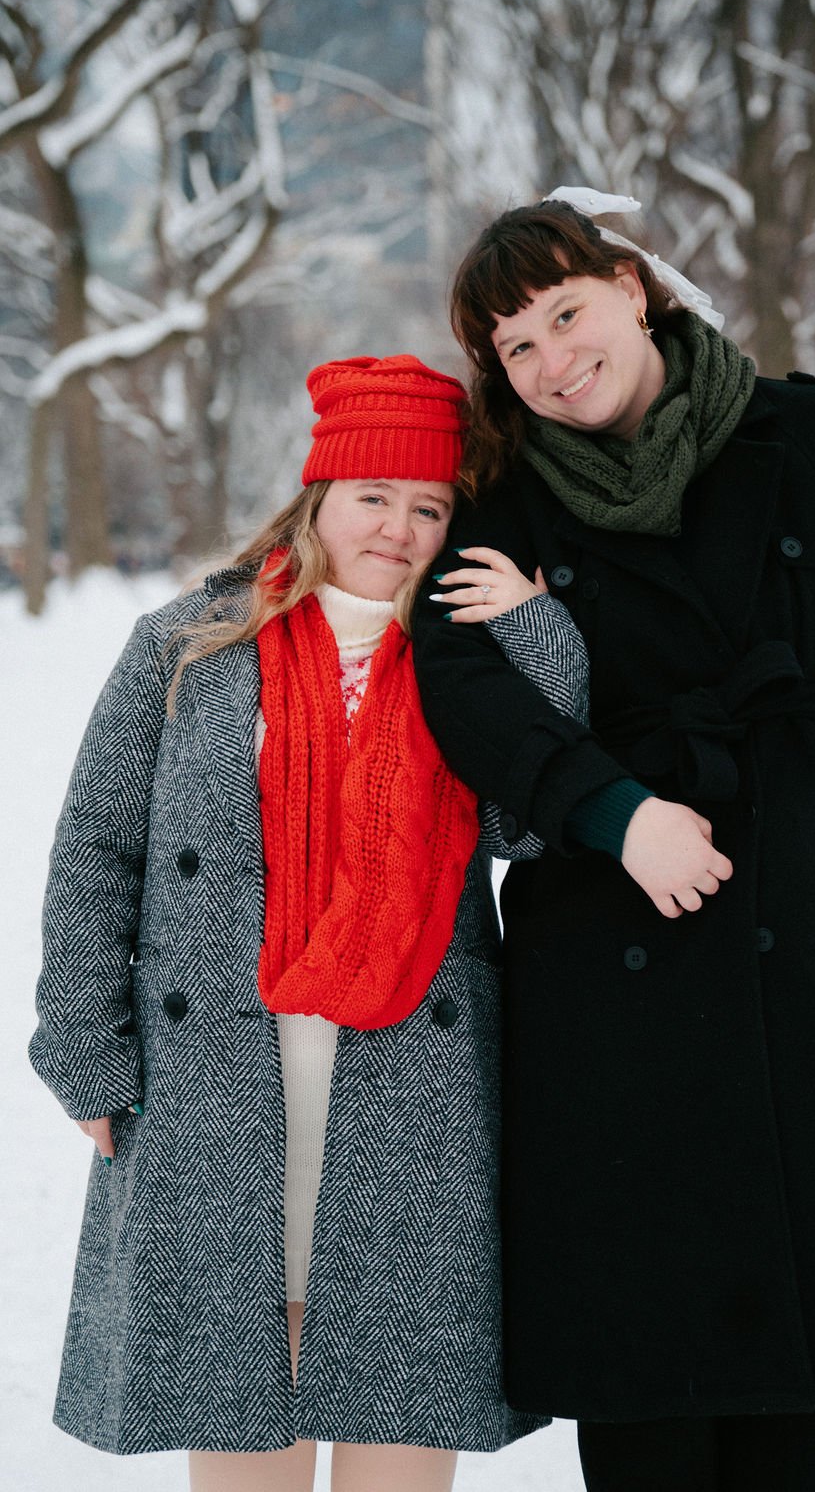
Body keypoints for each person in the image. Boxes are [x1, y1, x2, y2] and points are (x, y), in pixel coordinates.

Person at [411, 190, 815, 1492]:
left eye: (566, 313)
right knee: (642, 1353)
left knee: (800, 1345)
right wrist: (611, 809)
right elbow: (461, 677)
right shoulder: (501, 492)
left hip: (805, 923)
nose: (553, 359)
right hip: (606, 944)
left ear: (633, 284)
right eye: (515, 345)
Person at [29, 354, 588, 1491]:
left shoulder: (460, 661)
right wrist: (86, 1049)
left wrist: (539, 638)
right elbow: (97, 848)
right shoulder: (187, 642)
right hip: (217, 1084)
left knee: (399, 1422)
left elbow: (531, 825)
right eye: (374, 494)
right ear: (319, 493)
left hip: (410, 1096)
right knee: (241, 1427)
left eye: (429, 506)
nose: (398, 526)